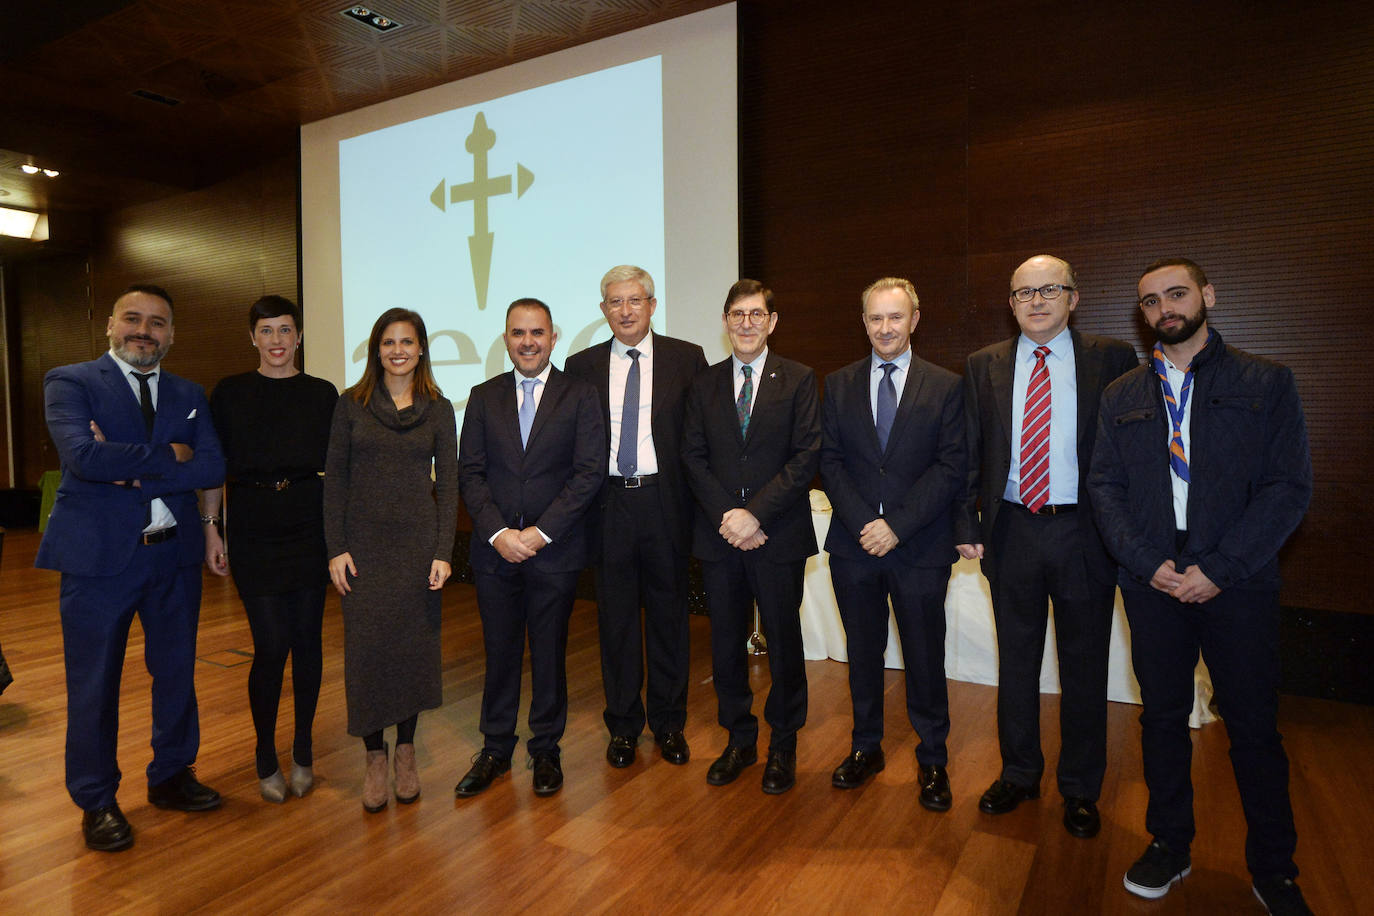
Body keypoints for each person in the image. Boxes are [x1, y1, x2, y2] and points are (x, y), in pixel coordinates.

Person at [1089, 258, 1313, 914]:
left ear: (1207, 295)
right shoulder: (1122, 395)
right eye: (1151, 301)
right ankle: (1170, 843)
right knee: (1159, 719)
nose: (1165, 309)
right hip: (1150, 580)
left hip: (1236, 584)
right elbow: (1104, 488)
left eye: (1176, 294)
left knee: (1252, 727)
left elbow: (1287, 487)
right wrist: (1146, 560)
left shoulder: (1266, 382)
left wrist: (1220, 568)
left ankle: (1274, 867)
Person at [37, 283, 226, 852]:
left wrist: (127, 467)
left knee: (176, 674)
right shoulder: (70, 381)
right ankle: (96, 800)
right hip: (98, 563)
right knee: (94, 686)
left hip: (174, 555)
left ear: (172, 334)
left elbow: (214, 464)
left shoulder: (190, 392)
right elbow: (83, 458)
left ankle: (171, 775)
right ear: (111, 326)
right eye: (133, 320)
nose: (145, 331)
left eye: (158, 323)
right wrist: (172, 455)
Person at [954, 255, 1138, 838]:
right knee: (1018, 661)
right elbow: (969, 452)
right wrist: (966, 522)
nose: (1036, 301)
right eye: (1023, 293)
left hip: (1085, 531)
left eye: (1049, 289)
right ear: (1010, 304)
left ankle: (1080, 788)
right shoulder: (983, 364)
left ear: (1073, 297)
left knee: (1084, 665)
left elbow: (1130, 450)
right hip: (1012, 530)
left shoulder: (1111, 358)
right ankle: (1020, 772)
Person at [819, 277, 965, 810]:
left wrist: (896, 525)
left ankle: (933, 759)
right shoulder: (837, 384)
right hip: (854, 545)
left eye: (895, 317)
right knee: (863, 653)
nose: (885, 327)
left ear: (915, 320)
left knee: (925, 657)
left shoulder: (947, 385)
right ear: (864, 323)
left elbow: (952, 466)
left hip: (920, 546)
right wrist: (865, 523)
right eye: (876, 318)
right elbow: (829, 460)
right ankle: (865, 748)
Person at [455, 298, 604, 798]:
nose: (527, 342)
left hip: (554, 552)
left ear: (553, 337)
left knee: (548, 654)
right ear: (505, 338)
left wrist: (539, 534)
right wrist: (500, 534)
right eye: (518, 333)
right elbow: (470, 474)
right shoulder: (481, 396)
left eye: (537, 332)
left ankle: (545, 750)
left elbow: (588, 474)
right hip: (495, 552)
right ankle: (495, 749)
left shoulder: (580, 395)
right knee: (499, 655)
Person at [564, 265, 708, 769]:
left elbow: (698, 438)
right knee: (616, 621)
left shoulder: (686, 359)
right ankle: (623, 726)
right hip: (607, 506)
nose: (625, 311)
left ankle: (669, 724)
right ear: (603, 309)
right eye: (614, 302)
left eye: (634, 300)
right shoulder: (579, 366)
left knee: (670, 618)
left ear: (652, 304)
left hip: (665, 502)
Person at [682, 280, 820, 795]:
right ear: (724, 321)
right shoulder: (704, 384)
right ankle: (739, 739)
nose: (746, 323)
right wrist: (729, 516)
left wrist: (754, 515)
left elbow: (806, 456)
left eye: (756, 314)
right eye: (737, 314)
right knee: (724, 646)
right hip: (720, 537)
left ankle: (783, 743)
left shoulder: (800, 379)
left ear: (772, 322)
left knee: (783, 641)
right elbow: (692, 456)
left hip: (777, 534)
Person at [204, 295, 338, 803]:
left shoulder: (323, 394)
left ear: (298, 337)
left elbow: (341, 469)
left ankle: (303, 749)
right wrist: (211, 528)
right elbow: (213, 466)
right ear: (252, 338)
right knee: (270, 645)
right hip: (254, 525)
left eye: (285, 330)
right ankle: (265, 753)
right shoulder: (231, 393)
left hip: (308, 521)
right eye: (267, 330)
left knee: (307, 642)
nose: (277, 340)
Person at [324, 307, 458, 812]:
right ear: (375, 350)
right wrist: (335, 547)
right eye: (387, 342)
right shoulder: (350, 406)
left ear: (421, 348)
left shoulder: (439, 409)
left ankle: (405, 751)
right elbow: (334, 480)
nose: (397, 350)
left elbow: (448, 485)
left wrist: (444, 551)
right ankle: (373, 757)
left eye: (407, 341)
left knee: (411, 651)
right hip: (362, 552)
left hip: (417, 550)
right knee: (368, 653)